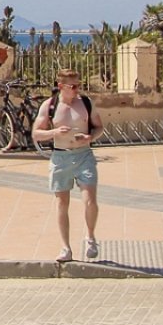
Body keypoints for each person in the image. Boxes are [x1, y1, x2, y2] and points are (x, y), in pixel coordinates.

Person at [32, 70, 104, 262]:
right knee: (62, 203)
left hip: (84, 155)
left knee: (90, 199)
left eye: (79, 85)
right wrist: (54, 132)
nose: (77, 89)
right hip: (60, 157)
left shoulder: (86, 104)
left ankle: (90, 236)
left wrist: (90, 137)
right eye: (73, 86)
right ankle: (66, 247)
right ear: (61, 86)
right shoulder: (50, 106)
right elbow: (36, 134)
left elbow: (99, 127)